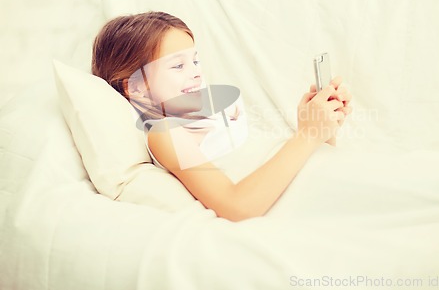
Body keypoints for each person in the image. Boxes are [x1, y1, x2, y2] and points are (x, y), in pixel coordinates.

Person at [92, 11, 353, 222]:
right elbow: (237, 206)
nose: (195, 72)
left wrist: (320, 128)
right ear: (136, 86)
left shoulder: (210, 122)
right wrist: (308, 135)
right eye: (178, 65)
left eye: (195, 61)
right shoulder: (165, 132)